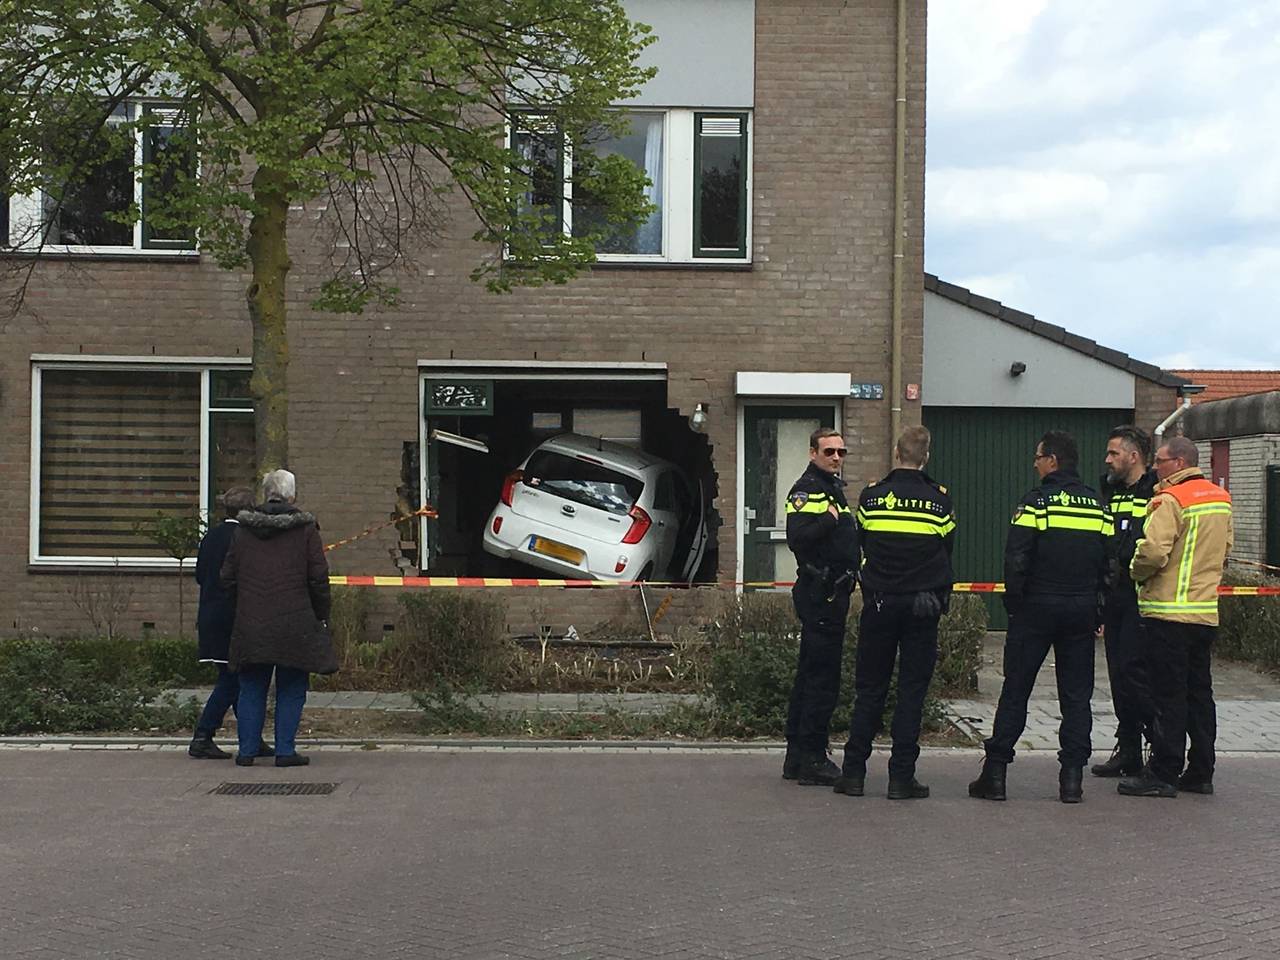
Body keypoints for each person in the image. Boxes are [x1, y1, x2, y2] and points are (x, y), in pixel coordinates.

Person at [970, 431, 1112, 804]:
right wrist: (1098, 610)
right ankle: (1072, 780)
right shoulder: (1098, 505)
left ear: (1052, 460)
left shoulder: (1037, 503)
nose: (1034, 463)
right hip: (1080, 611)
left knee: (1016, 690)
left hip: (1036, 608)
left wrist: (1014, 605)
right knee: (1077, 697)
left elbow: (1016, 558)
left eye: (1037, 457)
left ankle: (996, 774)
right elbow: (1109, 564)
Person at [833, 425, 955, 800]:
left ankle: (853, 773)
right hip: (921, 607)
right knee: (911, 693)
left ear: (896, 454)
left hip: (880, 604)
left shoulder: (871, 497)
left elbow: (860, 545)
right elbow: (946, 553)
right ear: (926, 457)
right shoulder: (940, 502)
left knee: (869, 689)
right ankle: (901, 777)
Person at [1119, 435, 1232, 798]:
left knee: (1168, 695)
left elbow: (1152, 552)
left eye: (1161, 462)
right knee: (1200, 694)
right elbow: (1225, 549)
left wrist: (1136, 572)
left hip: (1168, 614)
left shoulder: (1170, 499)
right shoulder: (1220, 499)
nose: (1155, 467)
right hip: (1203, 615)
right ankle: (1201, 771)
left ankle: (1164, 772)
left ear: (1179, 463)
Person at [221, 469, 337, 767]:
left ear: (265, 494)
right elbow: (318, 577)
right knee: (292, 686)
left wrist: (241, 607)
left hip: (251, 621)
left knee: (251, 686)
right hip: (295, 622)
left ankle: (247, 751)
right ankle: (285, 750)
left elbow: (228, 576)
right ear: (292, 496)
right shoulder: (306, 530)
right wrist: (321, 613)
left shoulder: (243, 530)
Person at [782, 427, 859, 785]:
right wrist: (828, 520)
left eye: (841, 452)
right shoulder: (807, 489)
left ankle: (797, 756)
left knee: (811, 673)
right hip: (821, 592)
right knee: (822, 679)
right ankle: (812, 757)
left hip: (831, 592)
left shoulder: (832, 490)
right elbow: (797, 538)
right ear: (813, 453)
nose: (837, 458)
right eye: (829, 452)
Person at [1091, 425, 1157, 778]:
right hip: (1115, 597)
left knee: (1136, 674)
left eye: (1114, 453)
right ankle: (1128, 748)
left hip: (1142, 599)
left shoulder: (1156, 492)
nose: (1107, 459)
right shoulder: (1112, 491)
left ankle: (1158, 745)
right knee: (1118, 675)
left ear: (1134, 456)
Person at [189, 485, 265, 760]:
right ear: (250, 510)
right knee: (233, 681)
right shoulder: (244, 538)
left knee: (235, 678)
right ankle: (203, 734)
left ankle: (252, 737)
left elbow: (200, 575)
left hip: (210, 616)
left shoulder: (211, 537)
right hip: (233, 619)